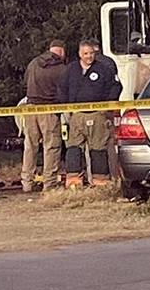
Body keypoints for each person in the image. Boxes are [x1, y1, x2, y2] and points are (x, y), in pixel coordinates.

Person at [59, 38, 121, 188]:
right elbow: (62, 88)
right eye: (86, 53)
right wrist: (67, 106)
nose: (89, 56)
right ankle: (74, 181)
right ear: (80, 54)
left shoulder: (104, 69)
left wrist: (105, 106)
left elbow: (116, 87)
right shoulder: (71, 69)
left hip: (98, 115)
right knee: (73, 148)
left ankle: (101, 182)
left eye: (91, 53)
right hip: (77, 115)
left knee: (98, 148)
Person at [21, 39, 67, 192]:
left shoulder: (33, 63)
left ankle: (26, 182)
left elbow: (25, 82)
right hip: (48, 110)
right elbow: (64, 91)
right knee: (51, 146)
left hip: (30, 108)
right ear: (61, 51)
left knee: (30, 146)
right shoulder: (61, 68)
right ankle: (50, 183)